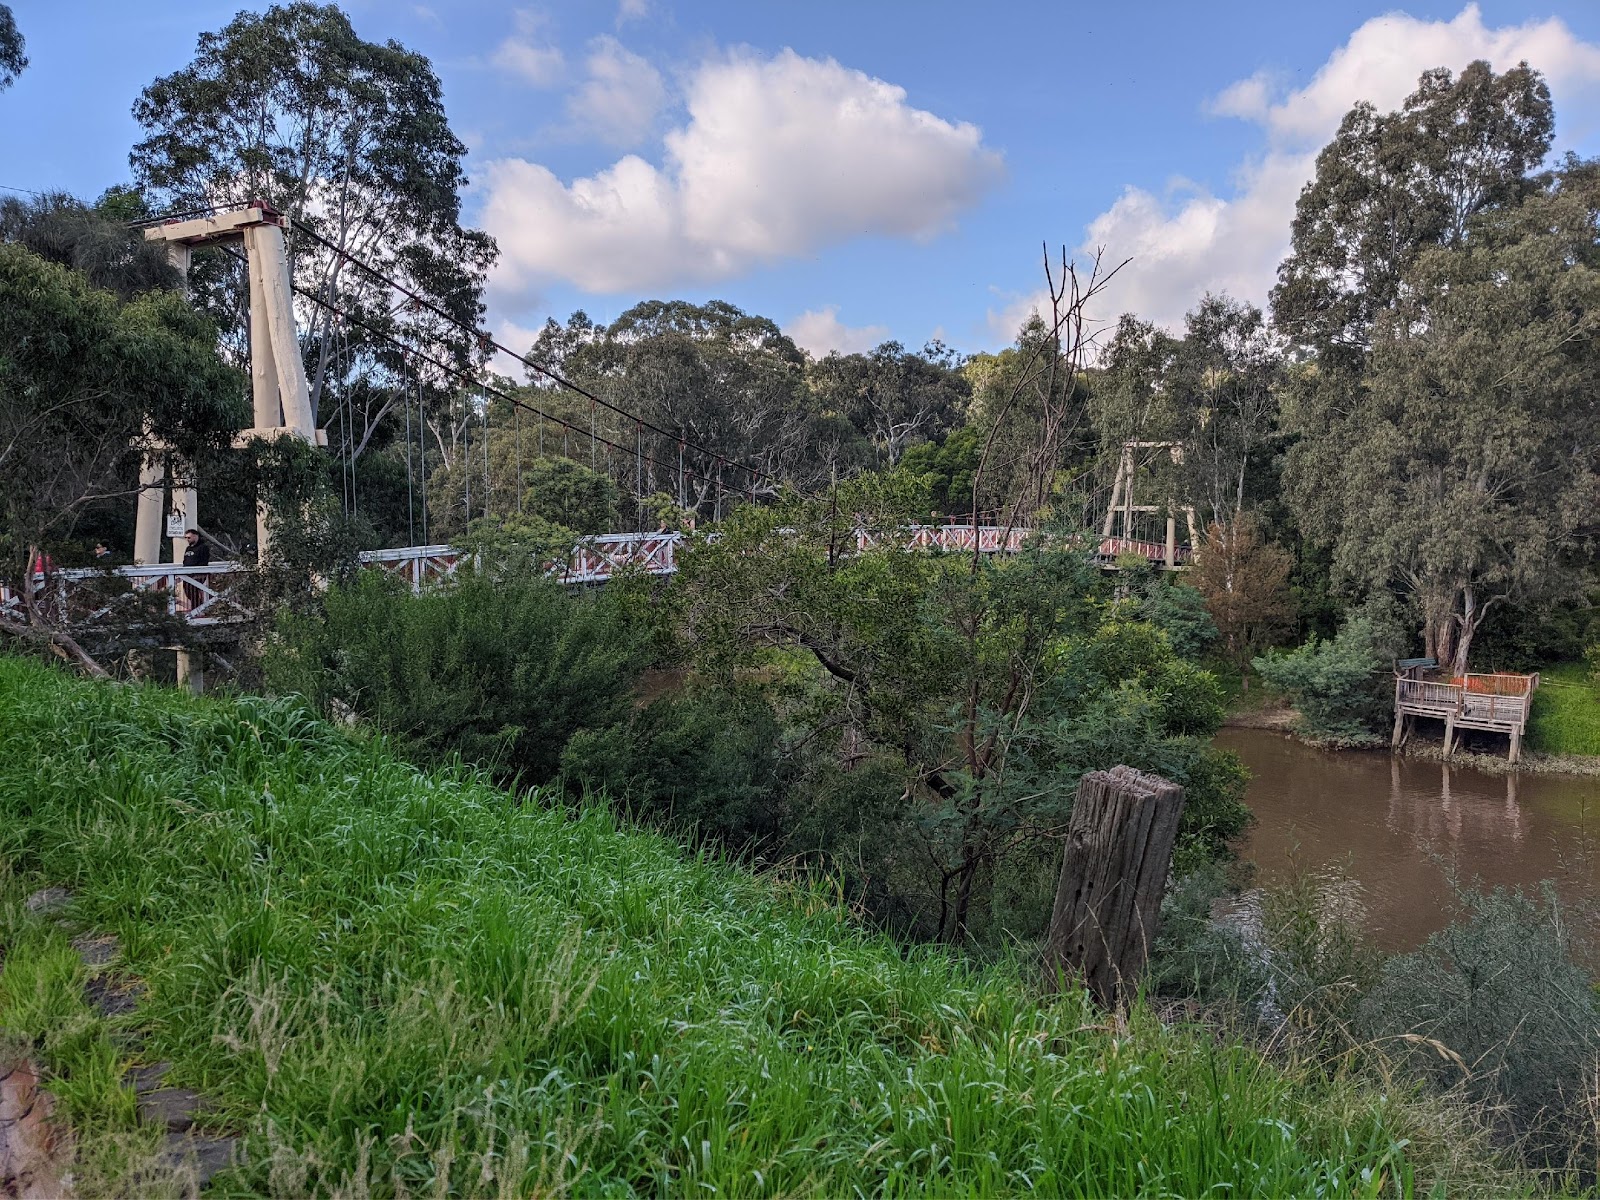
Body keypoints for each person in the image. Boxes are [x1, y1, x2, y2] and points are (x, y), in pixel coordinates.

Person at [179, 528, 209, 612]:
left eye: (189, 537)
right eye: (186, 538)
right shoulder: (188, 548)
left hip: (198, 574)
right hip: (187, 574)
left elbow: (204, 561)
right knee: (188, 592)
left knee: (194, 592)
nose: (187, 539)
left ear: (195, 537)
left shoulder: (203, 547)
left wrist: (199, 573)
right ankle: (197, 609)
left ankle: (198, 610)